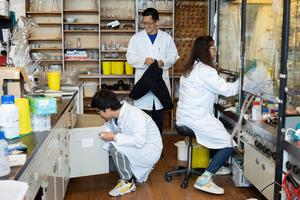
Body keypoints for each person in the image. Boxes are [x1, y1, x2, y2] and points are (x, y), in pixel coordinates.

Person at [176, 35, 239, 195]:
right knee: (228, 143)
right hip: (196, 118)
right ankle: (205, 179)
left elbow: (204, 90)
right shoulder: (205, 71)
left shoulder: (192, 68)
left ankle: (214, 165)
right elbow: (228, 90)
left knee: (219, 128)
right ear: (205, 50)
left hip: (186, 117)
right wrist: (245, 77)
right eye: (212, 48)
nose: (215, 51)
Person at [91, 89, 163, 197]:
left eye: (98, 111)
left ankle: (127, 182)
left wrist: (114, 137)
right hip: (140, 147)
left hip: (149, 149)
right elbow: (110, 127)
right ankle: (133, 172)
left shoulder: (134, 114)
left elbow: (139, 141)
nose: (98, 114)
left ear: (107, 109)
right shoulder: (116, 115)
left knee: (114, 146)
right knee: (110, 152)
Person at [126, 7, 179, 135]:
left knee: (158, 121)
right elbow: (129, 57)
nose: (146, 26)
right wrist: (144, 60)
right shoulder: (136, 38)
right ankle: (142, 149)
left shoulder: (166, 38)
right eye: (144, 23)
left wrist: (163, 62)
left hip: (160, 83)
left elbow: (174, 56)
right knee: (141, 121)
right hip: (143, 84)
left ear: (157, 22)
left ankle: (157, 150)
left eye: (149, 23)